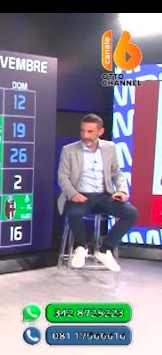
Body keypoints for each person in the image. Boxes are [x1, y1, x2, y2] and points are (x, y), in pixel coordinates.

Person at [57, 113, 138, 272]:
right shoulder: (69, 150)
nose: (85, 135)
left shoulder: (110, 148)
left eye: (90, 131)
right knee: (73, 213)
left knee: (131, 213)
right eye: (82, 131)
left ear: (100, 131)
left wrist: (122, 191)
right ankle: (80, 247)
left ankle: (105, 249)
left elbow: (117, 173)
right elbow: (62, 176)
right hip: (80, 194)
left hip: (104, 196)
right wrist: (72, 193)